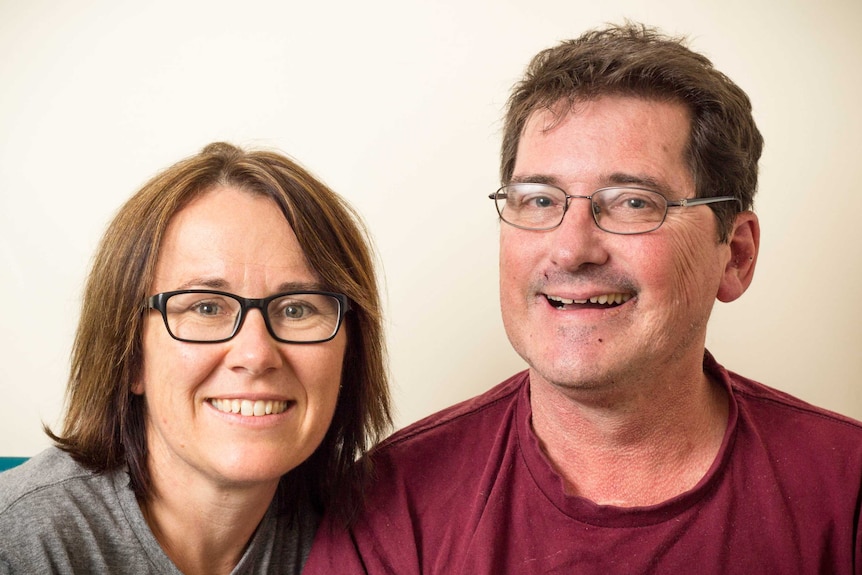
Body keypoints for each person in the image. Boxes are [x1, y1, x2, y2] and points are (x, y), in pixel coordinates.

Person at [304, 23, 862, 574]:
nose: (571, 250)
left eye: (633, 203)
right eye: (540, 200)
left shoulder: (847, 490)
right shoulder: (388, 512)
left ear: (735, 255)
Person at [0, 142, 391, 574]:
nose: (256, 355)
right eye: (206, 308)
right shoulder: (18, 546)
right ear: (130, 356)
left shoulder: (376, 539)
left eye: (297, 309)